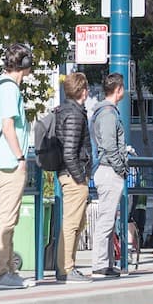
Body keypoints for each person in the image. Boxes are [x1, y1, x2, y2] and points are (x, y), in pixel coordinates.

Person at [0, 43, 34, 289]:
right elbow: (8, 126)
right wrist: (20, 157)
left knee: (9, 217)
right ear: (24, 65)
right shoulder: (9, 90)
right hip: (8, 163)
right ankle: (1, 273)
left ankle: (8, 271)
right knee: (6, 218)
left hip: (3, 161)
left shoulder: (2, 87)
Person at [90, 73, 129, 280]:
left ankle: (105, 263)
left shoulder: (105, 111)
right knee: (106, 219)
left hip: (107, 169)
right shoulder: (108, 114)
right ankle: (100, 264)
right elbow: (109, 144)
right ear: (119, 90)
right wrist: (120, 167)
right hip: (109, 171)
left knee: (108, 219)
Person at [56, 73, 92, 283]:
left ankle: (67, 267)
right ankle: (67, 269)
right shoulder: (75, 115)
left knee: (77, 222)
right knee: (71, 224)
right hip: (73, 176)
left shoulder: (66, 110)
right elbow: (69, 151)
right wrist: (80, 178)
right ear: (83, 90)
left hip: (69, 174)